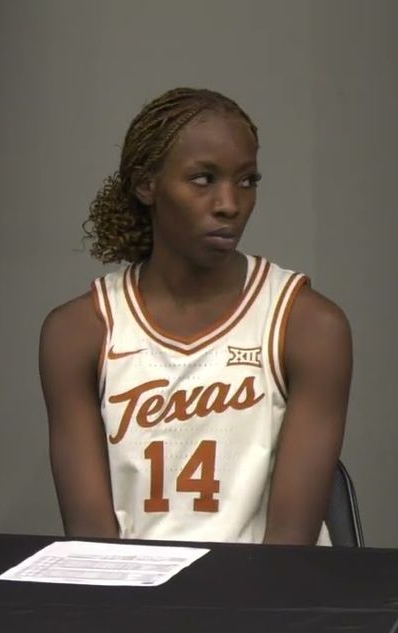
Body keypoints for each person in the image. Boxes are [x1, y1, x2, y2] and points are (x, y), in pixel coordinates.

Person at [40, 88, 352, 545]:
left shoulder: (309, 327)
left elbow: (290, 548)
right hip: (131, 603)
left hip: (264, 602)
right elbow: (92, 543)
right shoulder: (78, 332)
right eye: (203, 179)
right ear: (147, 184)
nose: (230, 203)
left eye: (247, 181)